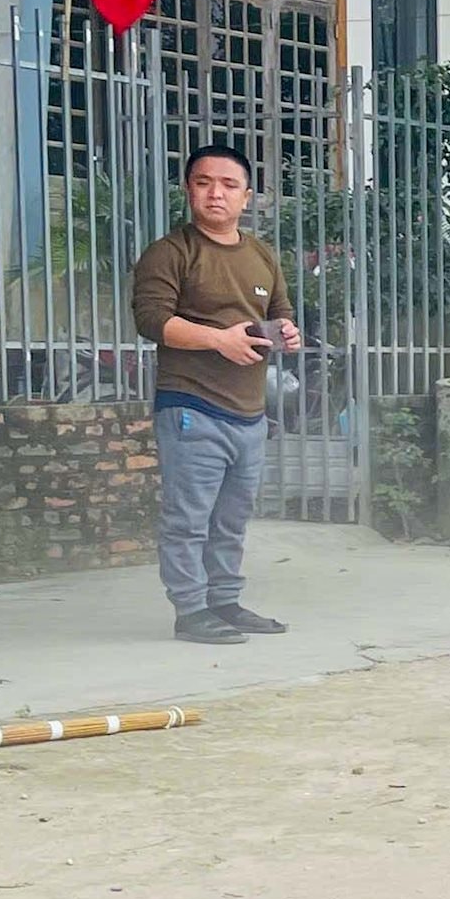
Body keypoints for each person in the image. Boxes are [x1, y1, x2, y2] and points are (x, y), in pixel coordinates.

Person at [131, 143, 300, 645]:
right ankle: (190, 611)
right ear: (189, 190)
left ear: (247, 196)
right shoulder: (170, 252)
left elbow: (285, 314)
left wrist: (289, 335)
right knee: (188, 518)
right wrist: (218, 340)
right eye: (204, 183)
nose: (216, 194)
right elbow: (152, 321)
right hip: (191, 405)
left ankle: (224, 601)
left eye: (228, 185)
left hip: (250, 412)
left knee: (231, 519)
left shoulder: (261, 254)